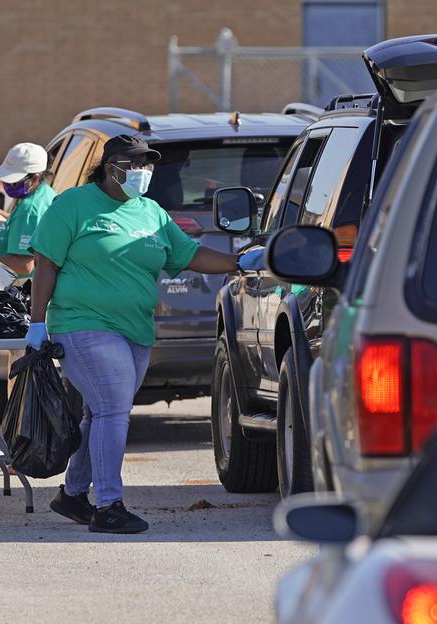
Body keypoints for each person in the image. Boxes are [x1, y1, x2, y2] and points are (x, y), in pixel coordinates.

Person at [26, 134, 263, 534]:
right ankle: (108, 504)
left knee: (98, 412)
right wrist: (36, 323)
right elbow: (45, 263)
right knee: (112, 408)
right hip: (82, 323)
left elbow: (189, 254)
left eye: (145, 164)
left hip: (135, 329)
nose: (139, 171)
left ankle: (73, 494)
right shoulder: (73, 205)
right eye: (130, 163)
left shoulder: (151, 212)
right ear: (109, 166)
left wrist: (239, 262)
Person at [0, 143, 56, 278]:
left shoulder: (30, 209)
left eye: (13, 182)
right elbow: (18, 223)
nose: (8, 186)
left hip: (20, 289)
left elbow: (25, 265)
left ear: (35, 178)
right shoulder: (44, 194)